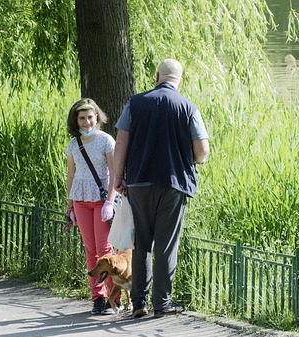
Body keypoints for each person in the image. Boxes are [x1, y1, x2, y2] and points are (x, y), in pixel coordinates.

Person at [113, 59, 210, 318]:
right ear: (180, 80)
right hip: (173, 184)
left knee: (141, 243)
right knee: (166, 246)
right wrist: (197, 160)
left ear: (156, 76)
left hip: (139, 182)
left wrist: (118, 177)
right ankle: (162, 304)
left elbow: (121, 141)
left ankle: (139, 302)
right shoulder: (188, 107)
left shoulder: (135, 103)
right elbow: (202, 149)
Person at [65, 98, 119, 315]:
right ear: (76, 121)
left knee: (104, 249)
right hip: (80, 200)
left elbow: (115, 173)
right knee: (90, 251)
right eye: (82, 118)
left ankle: (113, 297)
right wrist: (70, 205)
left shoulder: (106, 140)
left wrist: (110, 202)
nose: (87, 122)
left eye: (90, 117)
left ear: (97, 117)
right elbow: (71, 174)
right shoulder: (73, 144)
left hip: (101, 199)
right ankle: (97, 298)